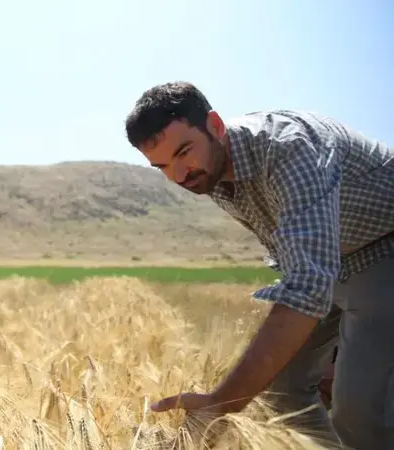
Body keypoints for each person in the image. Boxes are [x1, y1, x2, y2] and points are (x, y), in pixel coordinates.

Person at [123, 81, 394, 449]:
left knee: (360, 411)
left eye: (183, 151)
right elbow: (306, 264)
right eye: (162, 166)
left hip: (383, 249)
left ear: (215, 125)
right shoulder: (210, 169)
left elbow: (307, 287)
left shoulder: (290, 149)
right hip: (333, 262)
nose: (179, 174)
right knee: (281, 392)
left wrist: (221, 404)